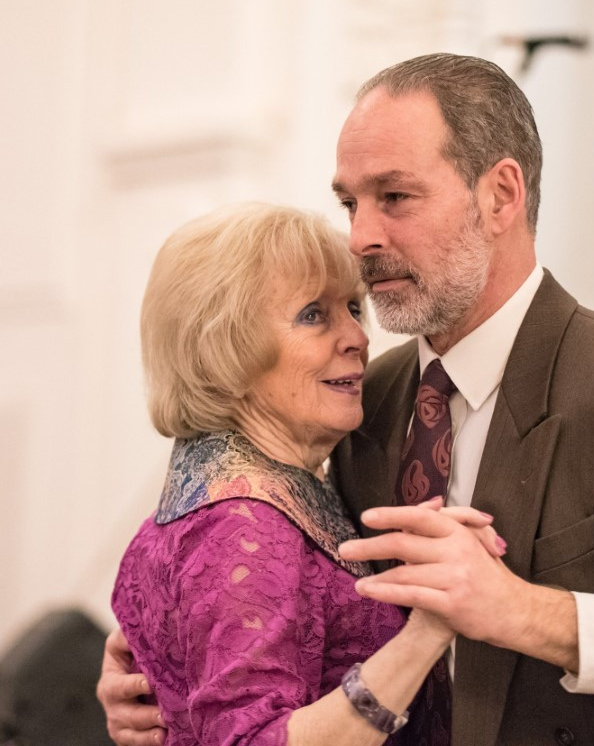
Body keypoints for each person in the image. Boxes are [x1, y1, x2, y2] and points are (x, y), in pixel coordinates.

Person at [99, 55, 594, 746]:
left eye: (394, 197)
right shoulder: (359, 404)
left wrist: (525, 612)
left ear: (500, 195)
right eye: (350, 203)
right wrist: (169, 660)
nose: (360, 237)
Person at [106, 202, 503, 746]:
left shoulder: (242, 495)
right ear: (225, 349)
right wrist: (430, 629)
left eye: (353, 308)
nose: (357, 337)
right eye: (313, 315)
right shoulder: (238, 526)